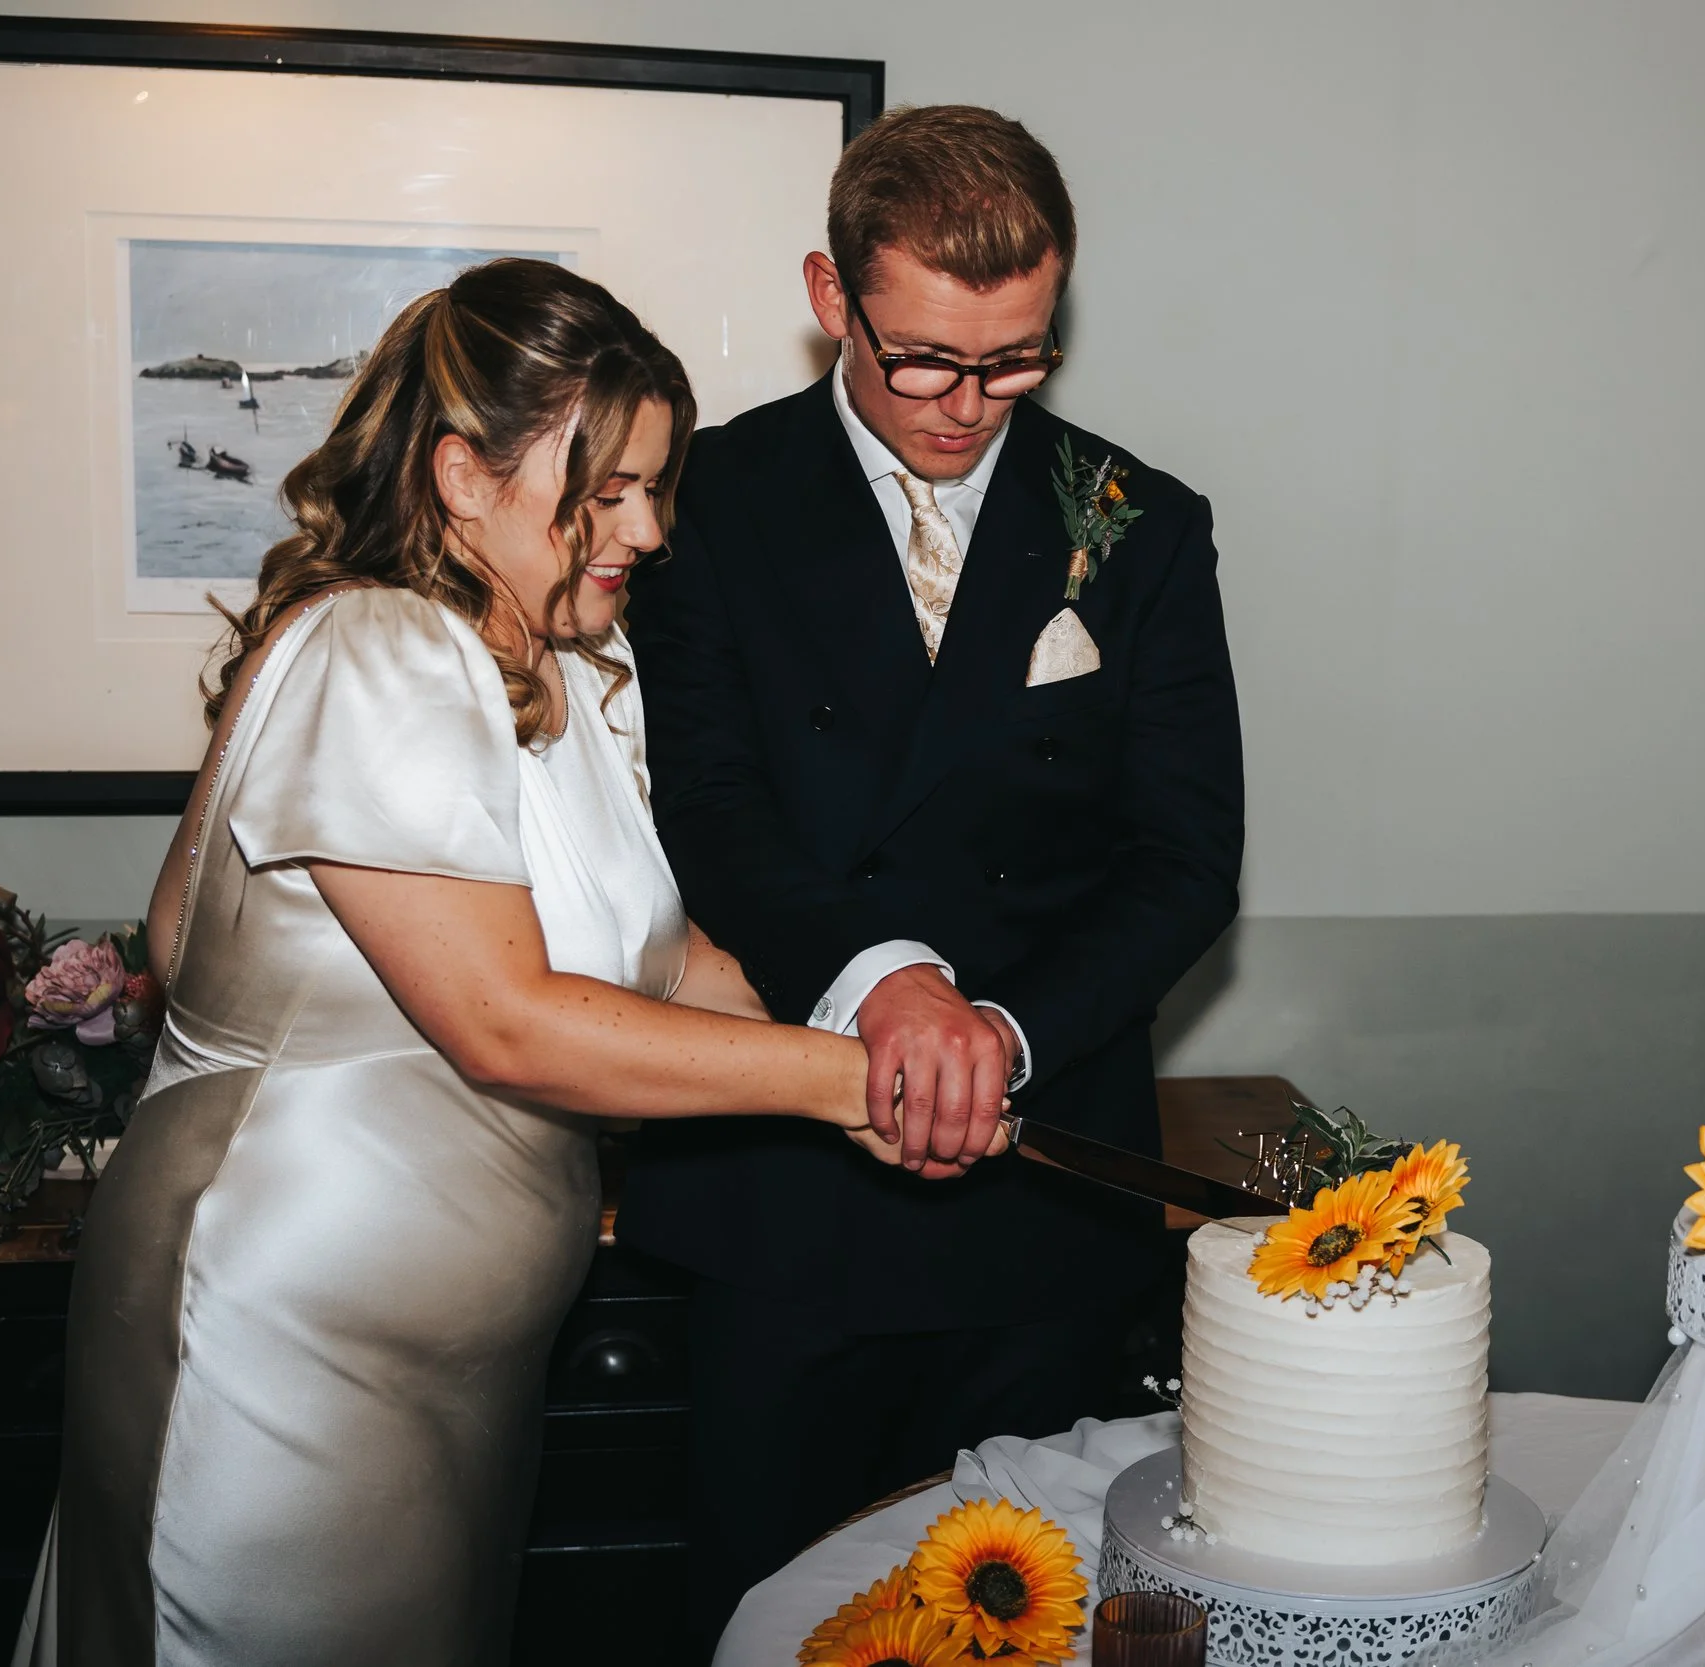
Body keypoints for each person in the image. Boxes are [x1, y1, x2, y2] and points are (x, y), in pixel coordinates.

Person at [15, 259, 954, 1667]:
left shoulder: (570, 670)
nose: (647, 525)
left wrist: (898, 1035)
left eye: (657, 484)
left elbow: (671, 957)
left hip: (455, 1357)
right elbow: (506, 1020)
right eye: (610, 487)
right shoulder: (378, 649)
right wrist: (843, 1087)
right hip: (282, 1335)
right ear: (463, 473)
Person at [619, 104, 1245, 1648]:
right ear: (834, 299)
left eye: (1018, 359)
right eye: (926, 361)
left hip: (1040, 1197)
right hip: (786, 1187)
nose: (971, 405)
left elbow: (1185, 860)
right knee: (777, 1614)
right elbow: (706, 806)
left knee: (1018, 1622)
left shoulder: (1139, 525)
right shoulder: (696, 506)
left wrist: (1002, 1035)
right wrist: (887, 985)